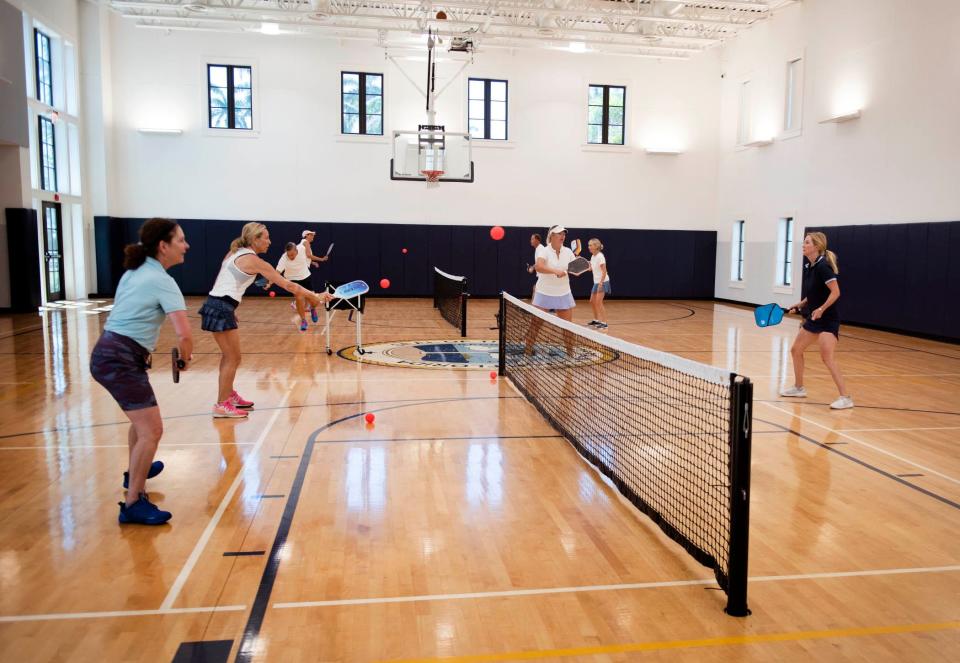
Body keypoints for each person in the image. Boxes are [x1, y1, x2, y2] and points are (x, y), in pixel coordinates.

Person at [90, 218, 192, 525]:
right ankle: (133, 502)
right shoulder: (162, 280)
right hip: (120, 358)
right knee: (152, 429)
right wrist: (185, 358)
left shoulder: (135, 269)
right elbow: (184, 335)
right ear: (163, 246)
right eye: (181, 240)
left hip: (110, 352)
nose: (186, 245)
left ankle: (137, 470)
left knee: (141, 421)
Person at [199, 222, 330, 418]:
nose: (269, 241)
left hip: (219, 305)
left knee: (231, 357)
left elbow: (223, 275)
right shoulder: (255, 261)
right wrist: (316, 295)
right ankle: (222, 404)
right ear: (254, 239)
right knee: (232, 358)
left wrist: (228, 304)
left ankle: (228, 396)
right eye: (266, 238)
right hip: (220, 307)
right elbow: (290, 286)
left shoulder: (234, 253)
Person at [780, 232, 853, 409]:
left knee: (827, 357)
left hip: (828, 319)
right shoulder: (810, 266)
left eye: (806, 242)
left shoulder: (823, 267)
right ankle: (799, 388)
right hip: (814, 318)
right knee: (796, 350)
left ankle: (845, 398)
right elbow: (814, 293)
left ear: (817, 246)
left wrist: (821, 309)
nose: (803, 245)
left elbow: (836, 292)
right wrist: (801, 304)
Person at [269, 242, 313, 331]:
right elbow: (277, 272)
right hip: (293, 280)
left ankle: (313, 309)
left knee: (311, 297)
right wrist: (269, 283)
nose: (290, 257)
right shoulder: (284, 257)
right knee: (299, 300)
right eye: (289, 255)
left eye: (292, 255)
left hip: (305, 276)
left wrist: (308, 247)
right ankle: (303, 320)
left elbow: (305, 242)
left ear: (296, 250)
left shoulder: (301, 248)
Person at [587, 238, 610, 329]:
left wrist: (601, 283)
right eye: (589, 245)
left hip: (603, 281)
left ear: (596, 246)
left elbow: (604, 271)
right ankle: (596, 320)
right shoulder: (593, 256)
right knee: (592, 301)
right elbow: (591, 269)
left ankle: (604, 323)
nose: (589, 247)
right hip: (596, 282)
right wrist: (586, 263)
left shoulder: (600, 256)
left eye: (591, 245)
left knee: (598, 302)